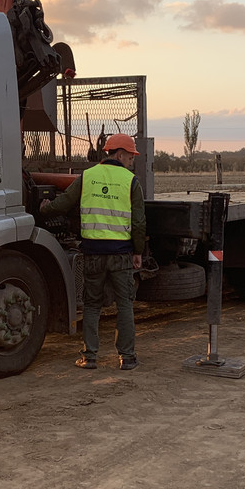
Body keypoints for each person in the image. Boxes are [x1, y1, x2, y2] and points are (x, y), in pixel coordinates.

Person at [39, 133, 147, 370]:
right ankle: (127, 358)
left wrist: (45, 209)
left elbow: (64, 203)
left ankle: (89, 357)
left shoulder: (87, 177)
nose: (131, 162)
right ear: (119, 154)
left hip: (93, 254)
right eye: (130, 157)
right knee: (125, 303)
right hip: (121, 254)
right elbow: (139, 222)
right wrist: (138, 251)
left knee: (91, 305)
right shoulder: (131, 181)